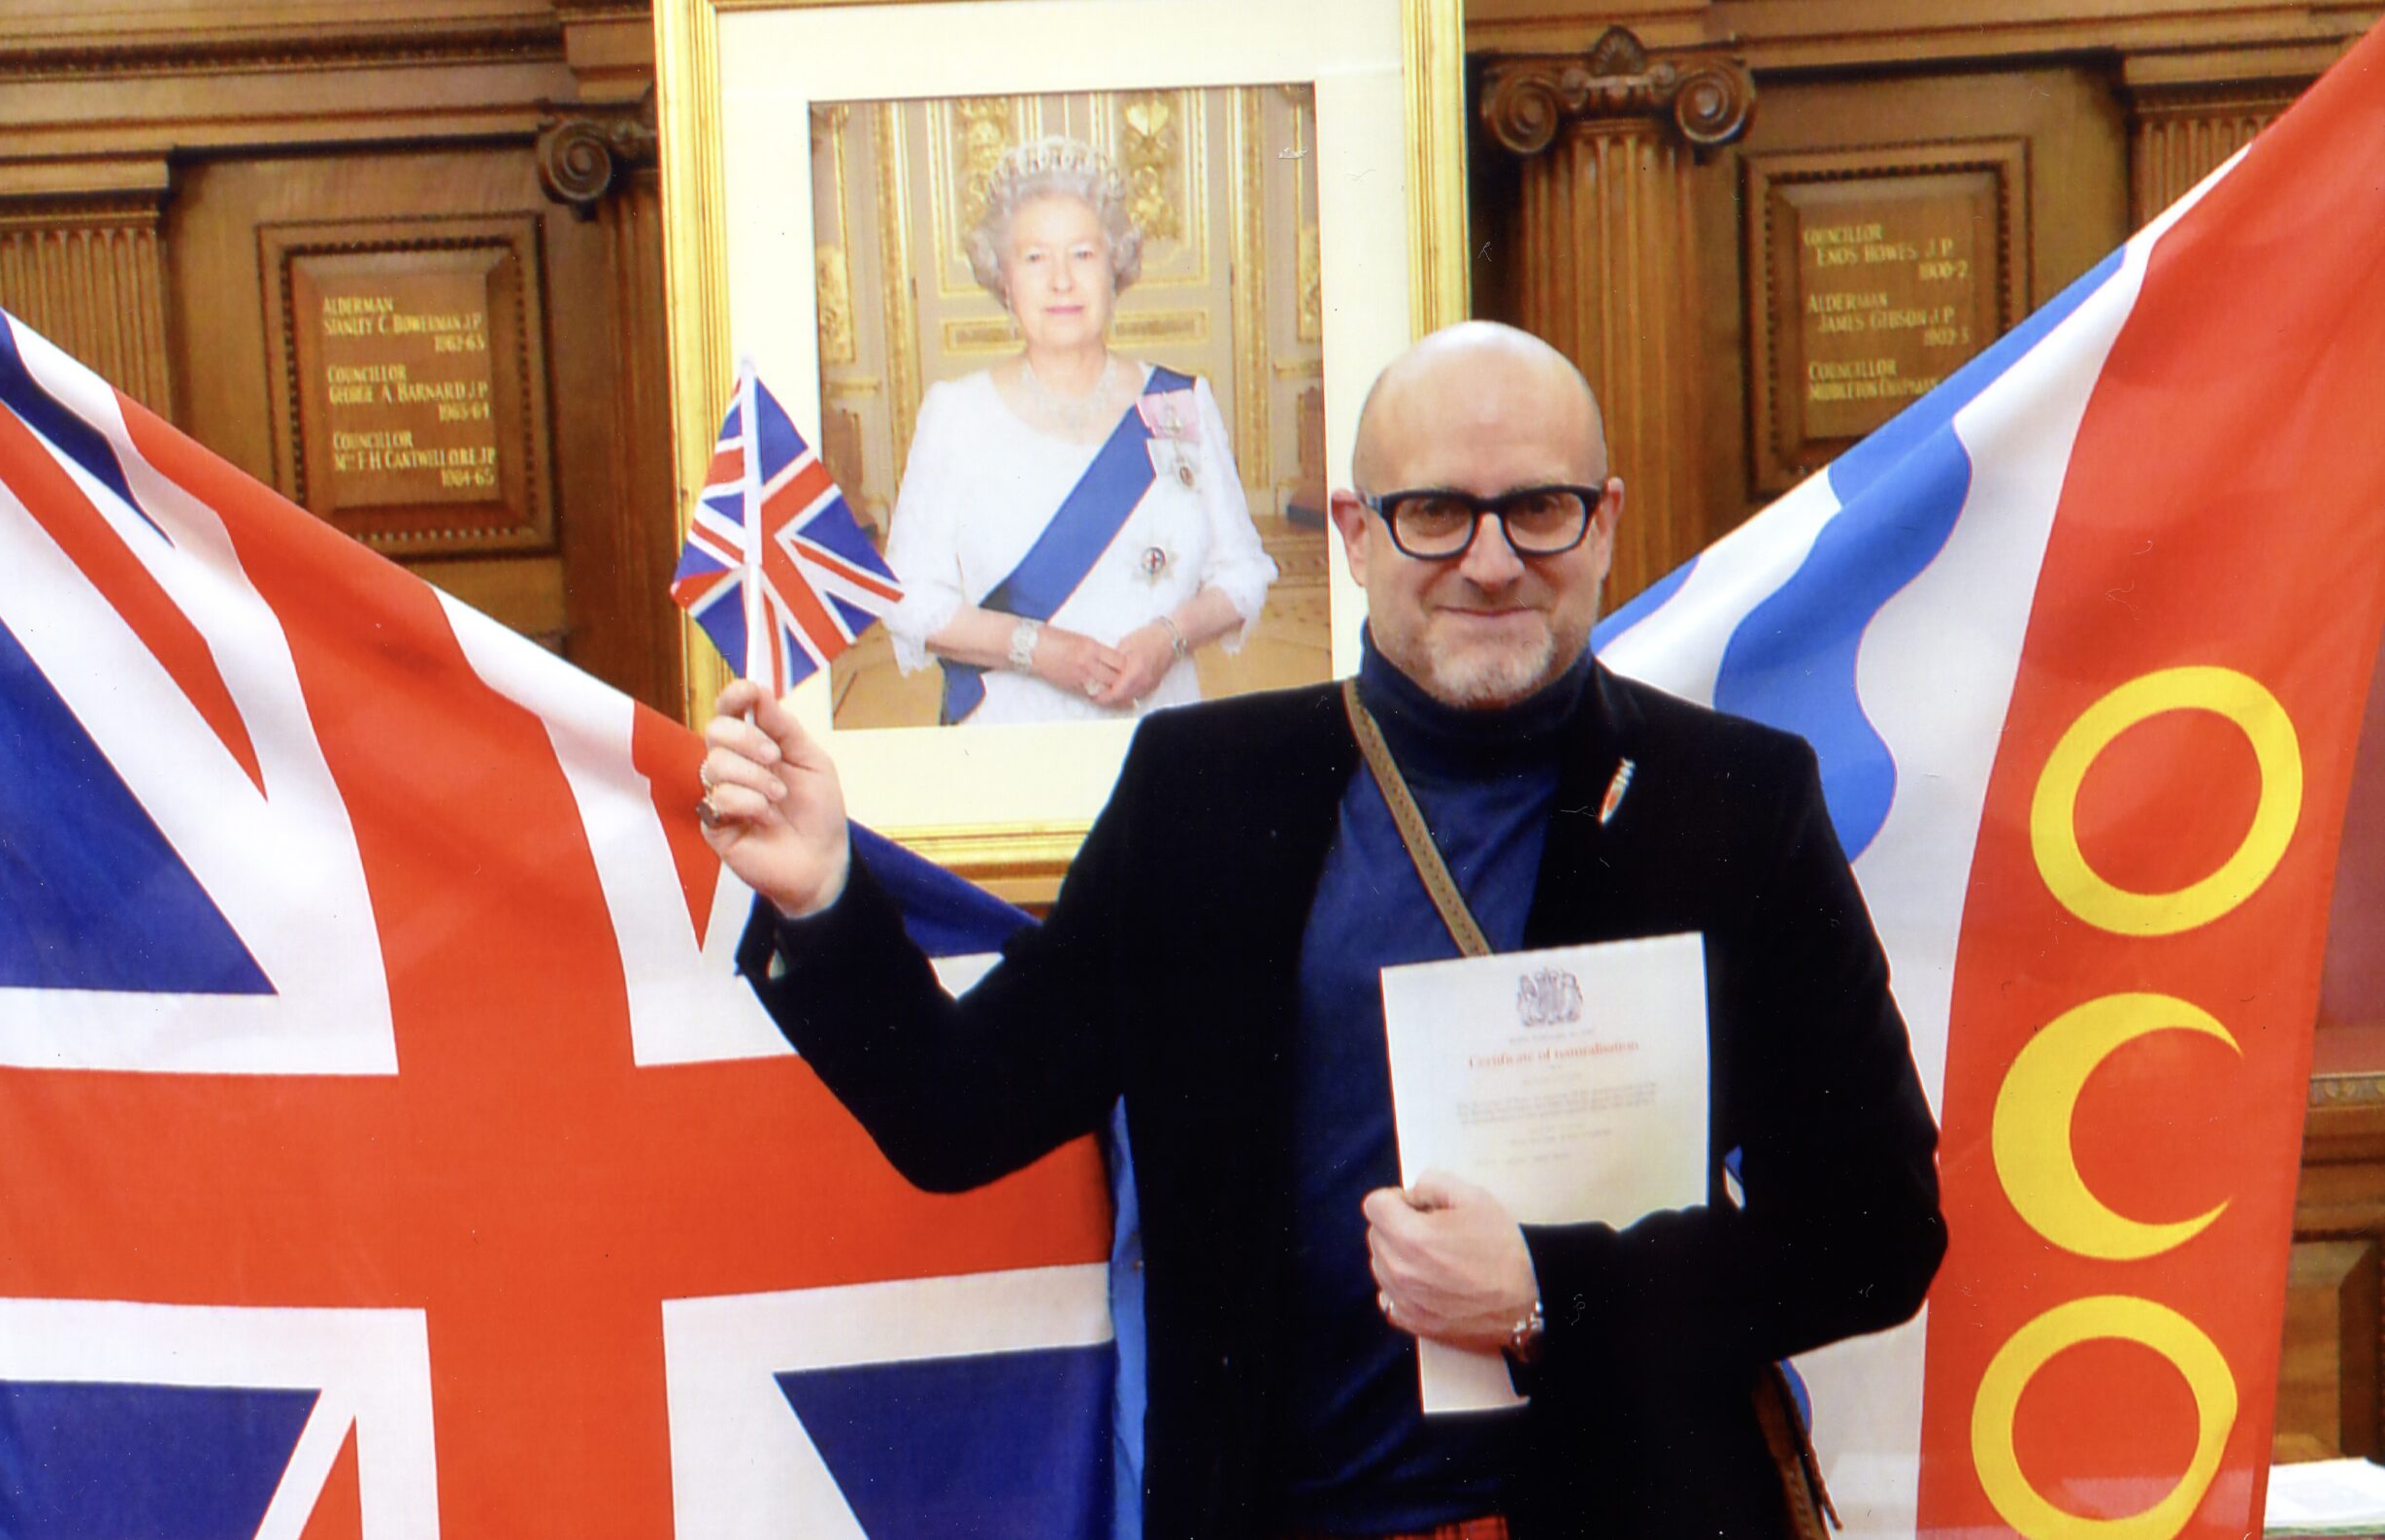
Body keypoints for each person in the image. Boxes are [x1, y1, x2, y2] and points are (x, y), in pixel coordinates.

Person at [698, 321, 1945, 1539]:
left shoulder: (1732, 801)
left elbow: (1877, 1236)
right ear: (1355, 533)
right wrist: (822, 897)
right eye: (1436, 513)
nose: (1494, 562)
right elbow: (956, 1115)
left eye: (1540, 509)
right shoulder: (1203, 792)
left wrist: (1553, 1293)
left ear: (1605, 520)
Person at [879, 137, 1276, 724]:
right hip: (1012, 735)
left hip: (1158, 730)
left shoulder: (1179, 403)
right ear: (1004, 281)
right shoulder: (956, 414)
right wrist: (1036, 649)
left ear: (1116, 269)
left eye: (1084, 255)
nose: (1061, 280)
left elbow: (1243, 573)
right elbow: (909, 599)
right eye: (1035, 258)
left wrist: (1170, 636)